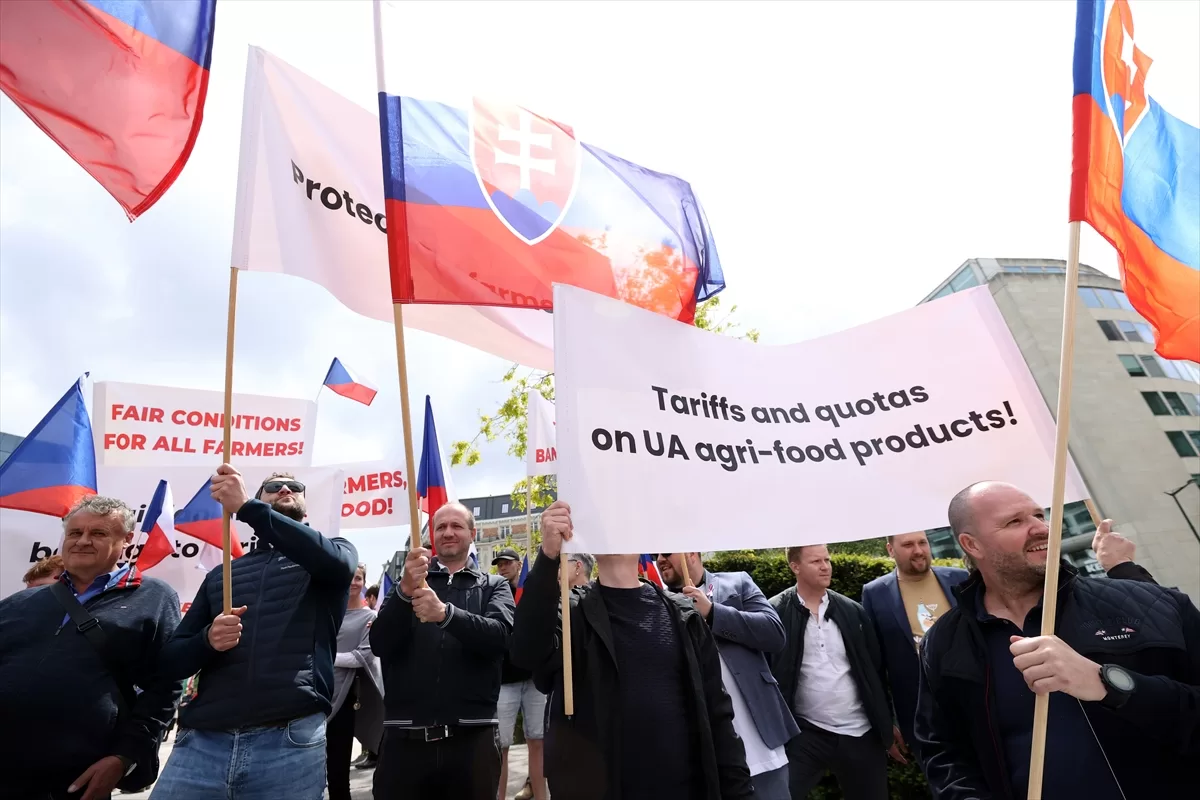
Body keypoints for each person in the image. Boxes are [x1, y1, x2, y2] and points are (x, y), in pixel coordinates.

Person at [916, 481, 1200, 799]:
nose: (1042, 528)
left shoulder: (1154, 605)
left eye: (1039, 515)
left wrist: (1108, 684)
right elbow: (945, 753)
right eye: (1015, 521)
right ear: (972, 545)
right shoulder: (943, 642)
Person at [511, 501, 754, 800]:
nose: (613, 533)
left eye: (623, 524)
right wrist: (548, 557)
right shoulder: (571, 613)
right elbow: (527, 652)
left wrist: (740, 792)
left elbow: (718, 714)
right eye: (604, 526)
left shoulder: (684, 615)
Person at [152, 467, 358, 800]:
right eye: (274, 486)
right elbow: (170, 662)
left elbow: (337, 564)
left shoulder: (334, 553)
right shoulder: (222, 575)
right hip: (203, 743)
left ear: (305, 506)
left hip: (289, 738)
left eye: (294, 486)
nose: (285, 489)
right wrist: (207, 640)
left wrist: (248, 508)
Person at [0, 496, 182, 800]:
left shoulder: (155, 597)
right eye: (75, 532)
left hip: (79, 778)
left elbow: (165, 687)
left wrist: (125, 756)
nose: (82, 541)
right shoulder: (19, 603)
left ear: (126, 540)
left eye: (98, 533)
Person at [370, 502, 515, 800]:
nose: (448, 532)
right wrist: (404, 591)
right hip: (405, 740)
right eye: (441, 527)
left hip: (472, 739)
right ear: (432, 536)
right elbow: (380, 643)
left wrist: (446, 615)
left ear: (472, 534)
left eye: (456, 526)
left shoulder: (494, 585)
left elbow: (501, 639)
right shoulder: (406, 585)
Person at [657, 552, 798, 800]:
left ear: (690, 553)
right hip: (708, 757)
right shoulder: (659, 605)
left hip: (762, 747)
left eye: (666, 552)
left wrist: (713, 612)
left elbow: (775, 634)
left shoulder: (737, 582)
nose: (659, 559)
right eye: (655, 553)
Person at [768, 544, 899, 800]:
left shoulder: (852, 611)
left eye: (827, 560)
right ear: (795, 566)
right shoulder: (776, 612)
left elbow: (875, 671)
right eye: (816, 561)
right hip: (806, 733)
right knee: (779, 795)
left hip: (860, 731)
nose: (825, 566)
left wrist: (887, 722)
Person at [861, 532, 969, 762]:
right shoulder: (875, 593)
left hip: (974, 700)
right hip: (920, 715)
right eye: (908, 545)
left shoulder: (960, 578)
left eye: (922, 543)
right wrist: (886, 721)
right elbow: (875, 664)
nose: (918, 550)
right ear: (890, 550)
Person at [492, 547, 547, 800]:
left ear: (518, 565)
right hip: (505, 681)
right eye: (499, 564)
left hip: (534, 679)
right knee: (501, 746)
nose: (503, 567)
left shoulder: (531, 592)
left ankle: (541, 795)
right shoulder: (493, 592)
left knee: (537, 741)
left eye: (507, 563)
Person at [326, 563, 384, 800]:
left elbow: (362, 657)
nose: (353, 582)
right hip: (318, 696)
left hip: (347, 700)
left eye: (358, 578)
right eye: (349, 577)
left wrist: (325, 658)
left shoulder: (370, 617)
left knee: (338, 772)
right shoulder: (326, 613)